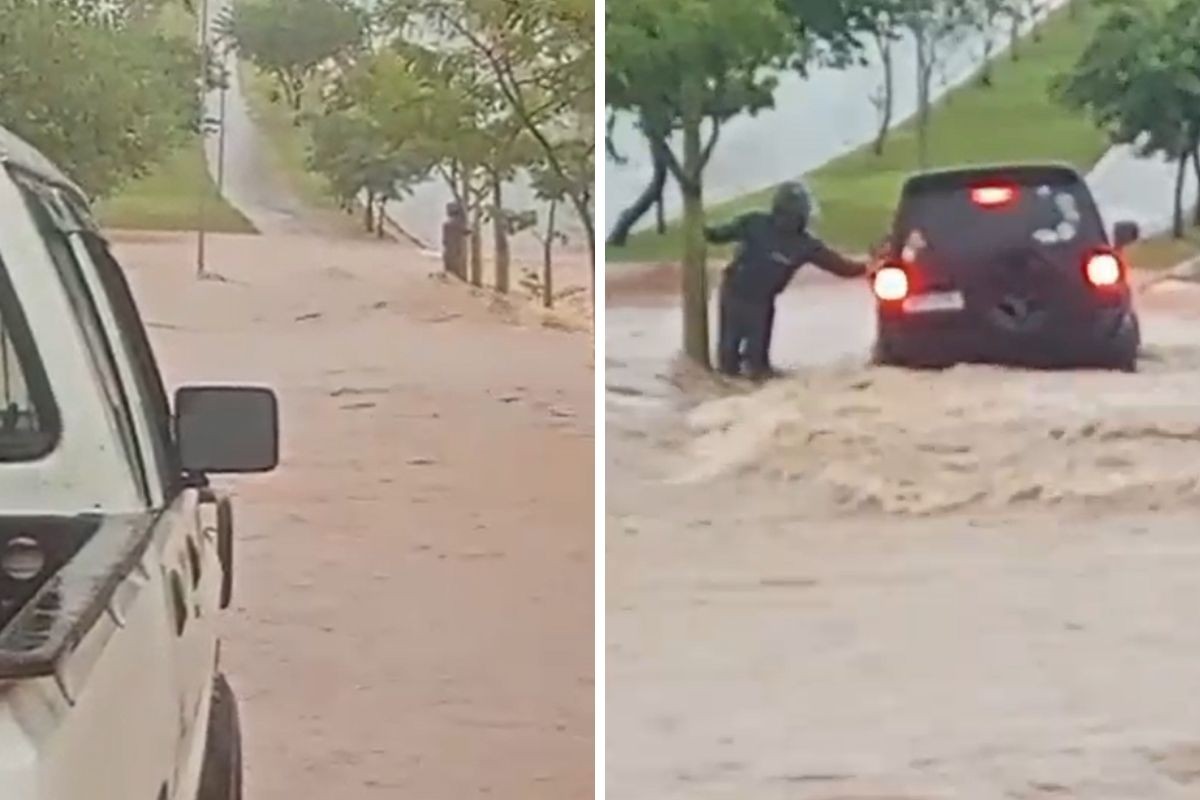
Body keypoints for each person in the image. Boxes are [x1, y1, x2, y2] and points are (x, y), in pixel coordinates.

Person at [705, 181, 868, 381]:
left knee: (758, 367)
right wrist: (699, 228)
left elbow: (842, 267)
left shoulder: (806, 244)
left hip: (762, 303)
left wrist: (868, 268)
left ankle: (750, 392)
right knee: (728, 361)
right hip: (733, 295)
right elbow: (716, 235)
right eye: (802, 213)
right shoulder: (753, 222)